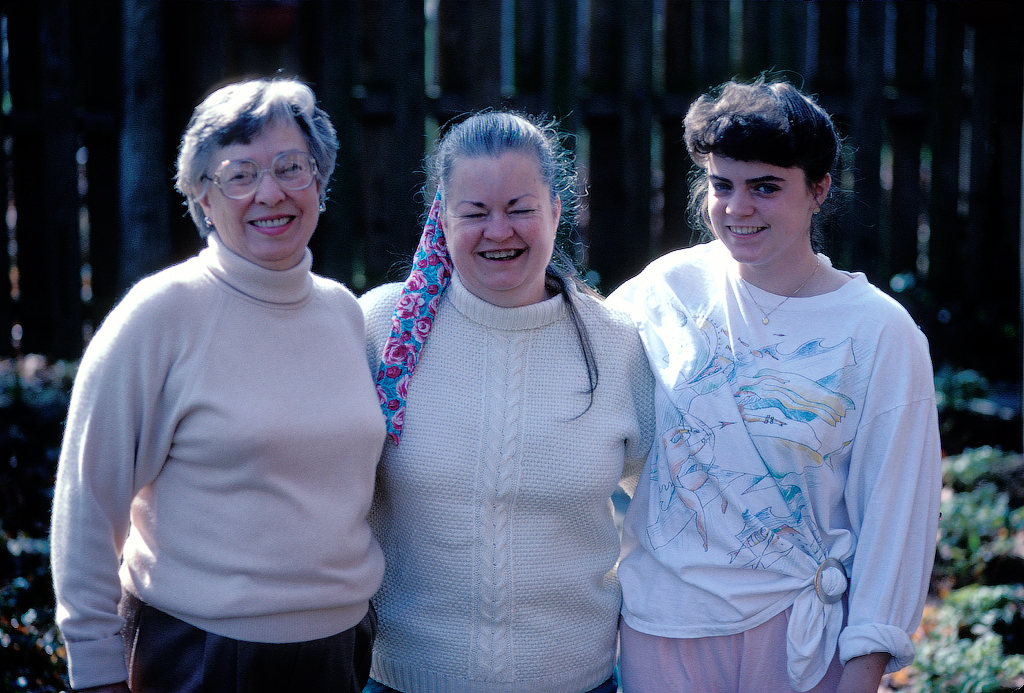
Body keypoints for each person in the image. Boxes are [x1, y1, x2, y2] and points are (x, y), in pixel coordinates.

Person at [50, 77, 385, 693]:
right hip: (200, 655)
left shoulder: (344, 313)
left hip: (338, 651)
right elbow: (87, 503)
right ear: (202, 197)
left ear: (320, 181)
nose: (270, 192)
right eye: (239, 174)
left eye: (292, 167)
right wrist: (95, 669)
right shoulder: (159, 316)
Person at [608, 78, 942, 693]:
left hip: (801, 641)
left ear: (818, 191)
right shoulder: (664, 291)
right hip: (662, 628)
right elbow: (581, 405)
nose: (738, 208)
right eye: (722, 184)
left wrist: (862, 668)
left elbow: (896, 518)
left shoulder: (879, 332)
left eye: (766, 187)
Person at [358, 111, 655, 693]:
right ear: (441, 219)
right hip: (404, 681)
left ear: (555, 213)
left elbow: (673, 510)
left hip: (577, 682)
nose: (499, 231)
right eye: (474, 213)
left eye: (520, 209)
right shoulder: (384, 330)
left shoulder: (616, 344)